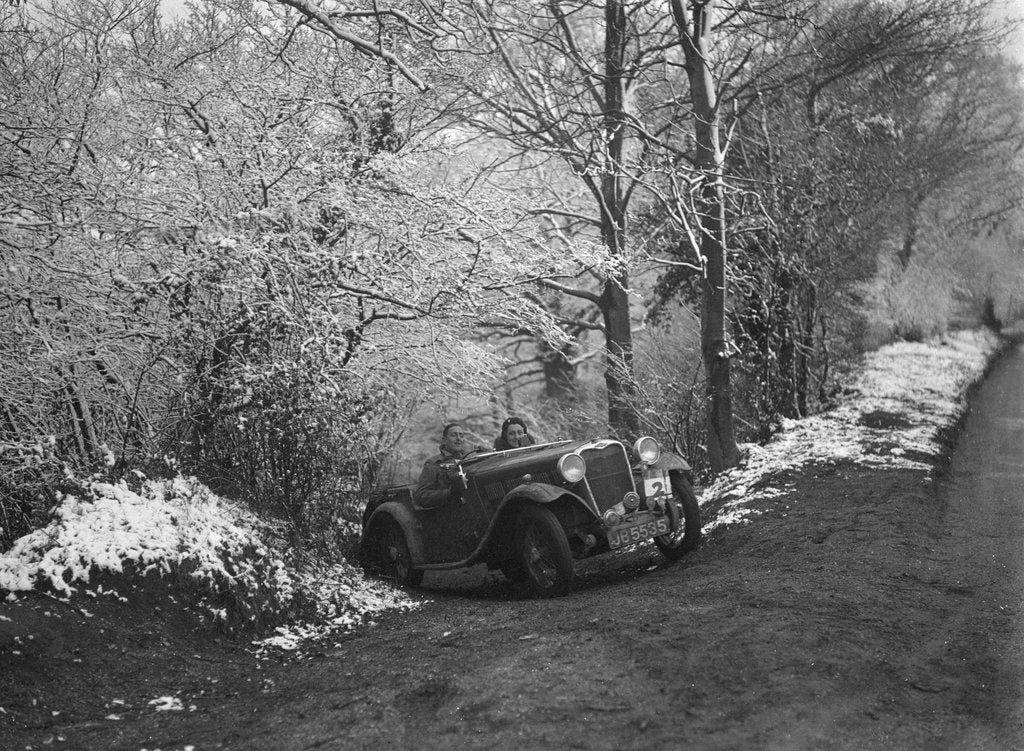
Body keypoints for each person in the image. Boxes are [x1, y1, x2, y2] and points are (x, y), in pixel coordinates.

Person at [414, 422, 469, 508]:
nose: (458, 439)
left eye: (461, 436)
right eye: (453, 435)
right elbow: (421, 496)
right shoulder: (434, 464)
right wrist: (450, 492)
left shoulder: (470, 459)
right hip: (449, 512)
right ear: (444, 440)